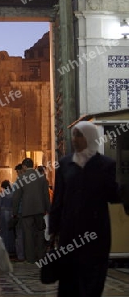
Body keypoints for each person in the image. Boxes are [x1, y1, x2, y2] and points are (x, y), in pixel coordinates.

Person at [49, 121, 121, 297]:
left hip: (95, 232)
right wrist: (53, 229)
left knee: (92, 279)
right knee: (69, 280)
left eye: (79, 135)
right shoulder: (66, 164)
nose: (75, 139)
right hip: (69, 232)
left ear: (90, 137)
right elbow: (59, 199)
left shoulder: (106, 165)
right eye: (74, 135)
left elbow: (113, 196)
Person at [12, 157, 50, 263]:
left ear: (24, 166)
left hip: (27, 211)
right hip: (40, 210)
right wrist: (48, 209)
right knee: (40, 232)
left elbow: (16, 197)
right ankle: (41, 255)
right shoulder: (41, 177)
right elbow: (46, 195)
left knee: (28, 235)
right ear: (32, 165)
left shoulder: (21, 178)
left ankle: (31, 257)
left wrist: (14, 212)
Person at [0, 180, 15, 256]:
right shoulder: (12, 193)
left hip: (3, 212)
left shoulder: (2, 193)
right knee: (11, 231)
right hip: (11, 212)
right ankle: (12, 248)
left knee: (4, 231)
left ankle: (5, 247)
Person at [13, 164, 25, 261]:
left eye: (17, 172)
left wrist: (14, 211)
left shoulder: (19, 181)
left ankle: (21, 255)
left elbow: (16, 197)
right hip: (29, 210)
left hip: (20, 210)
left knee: (20, 233)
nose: (17, 174)